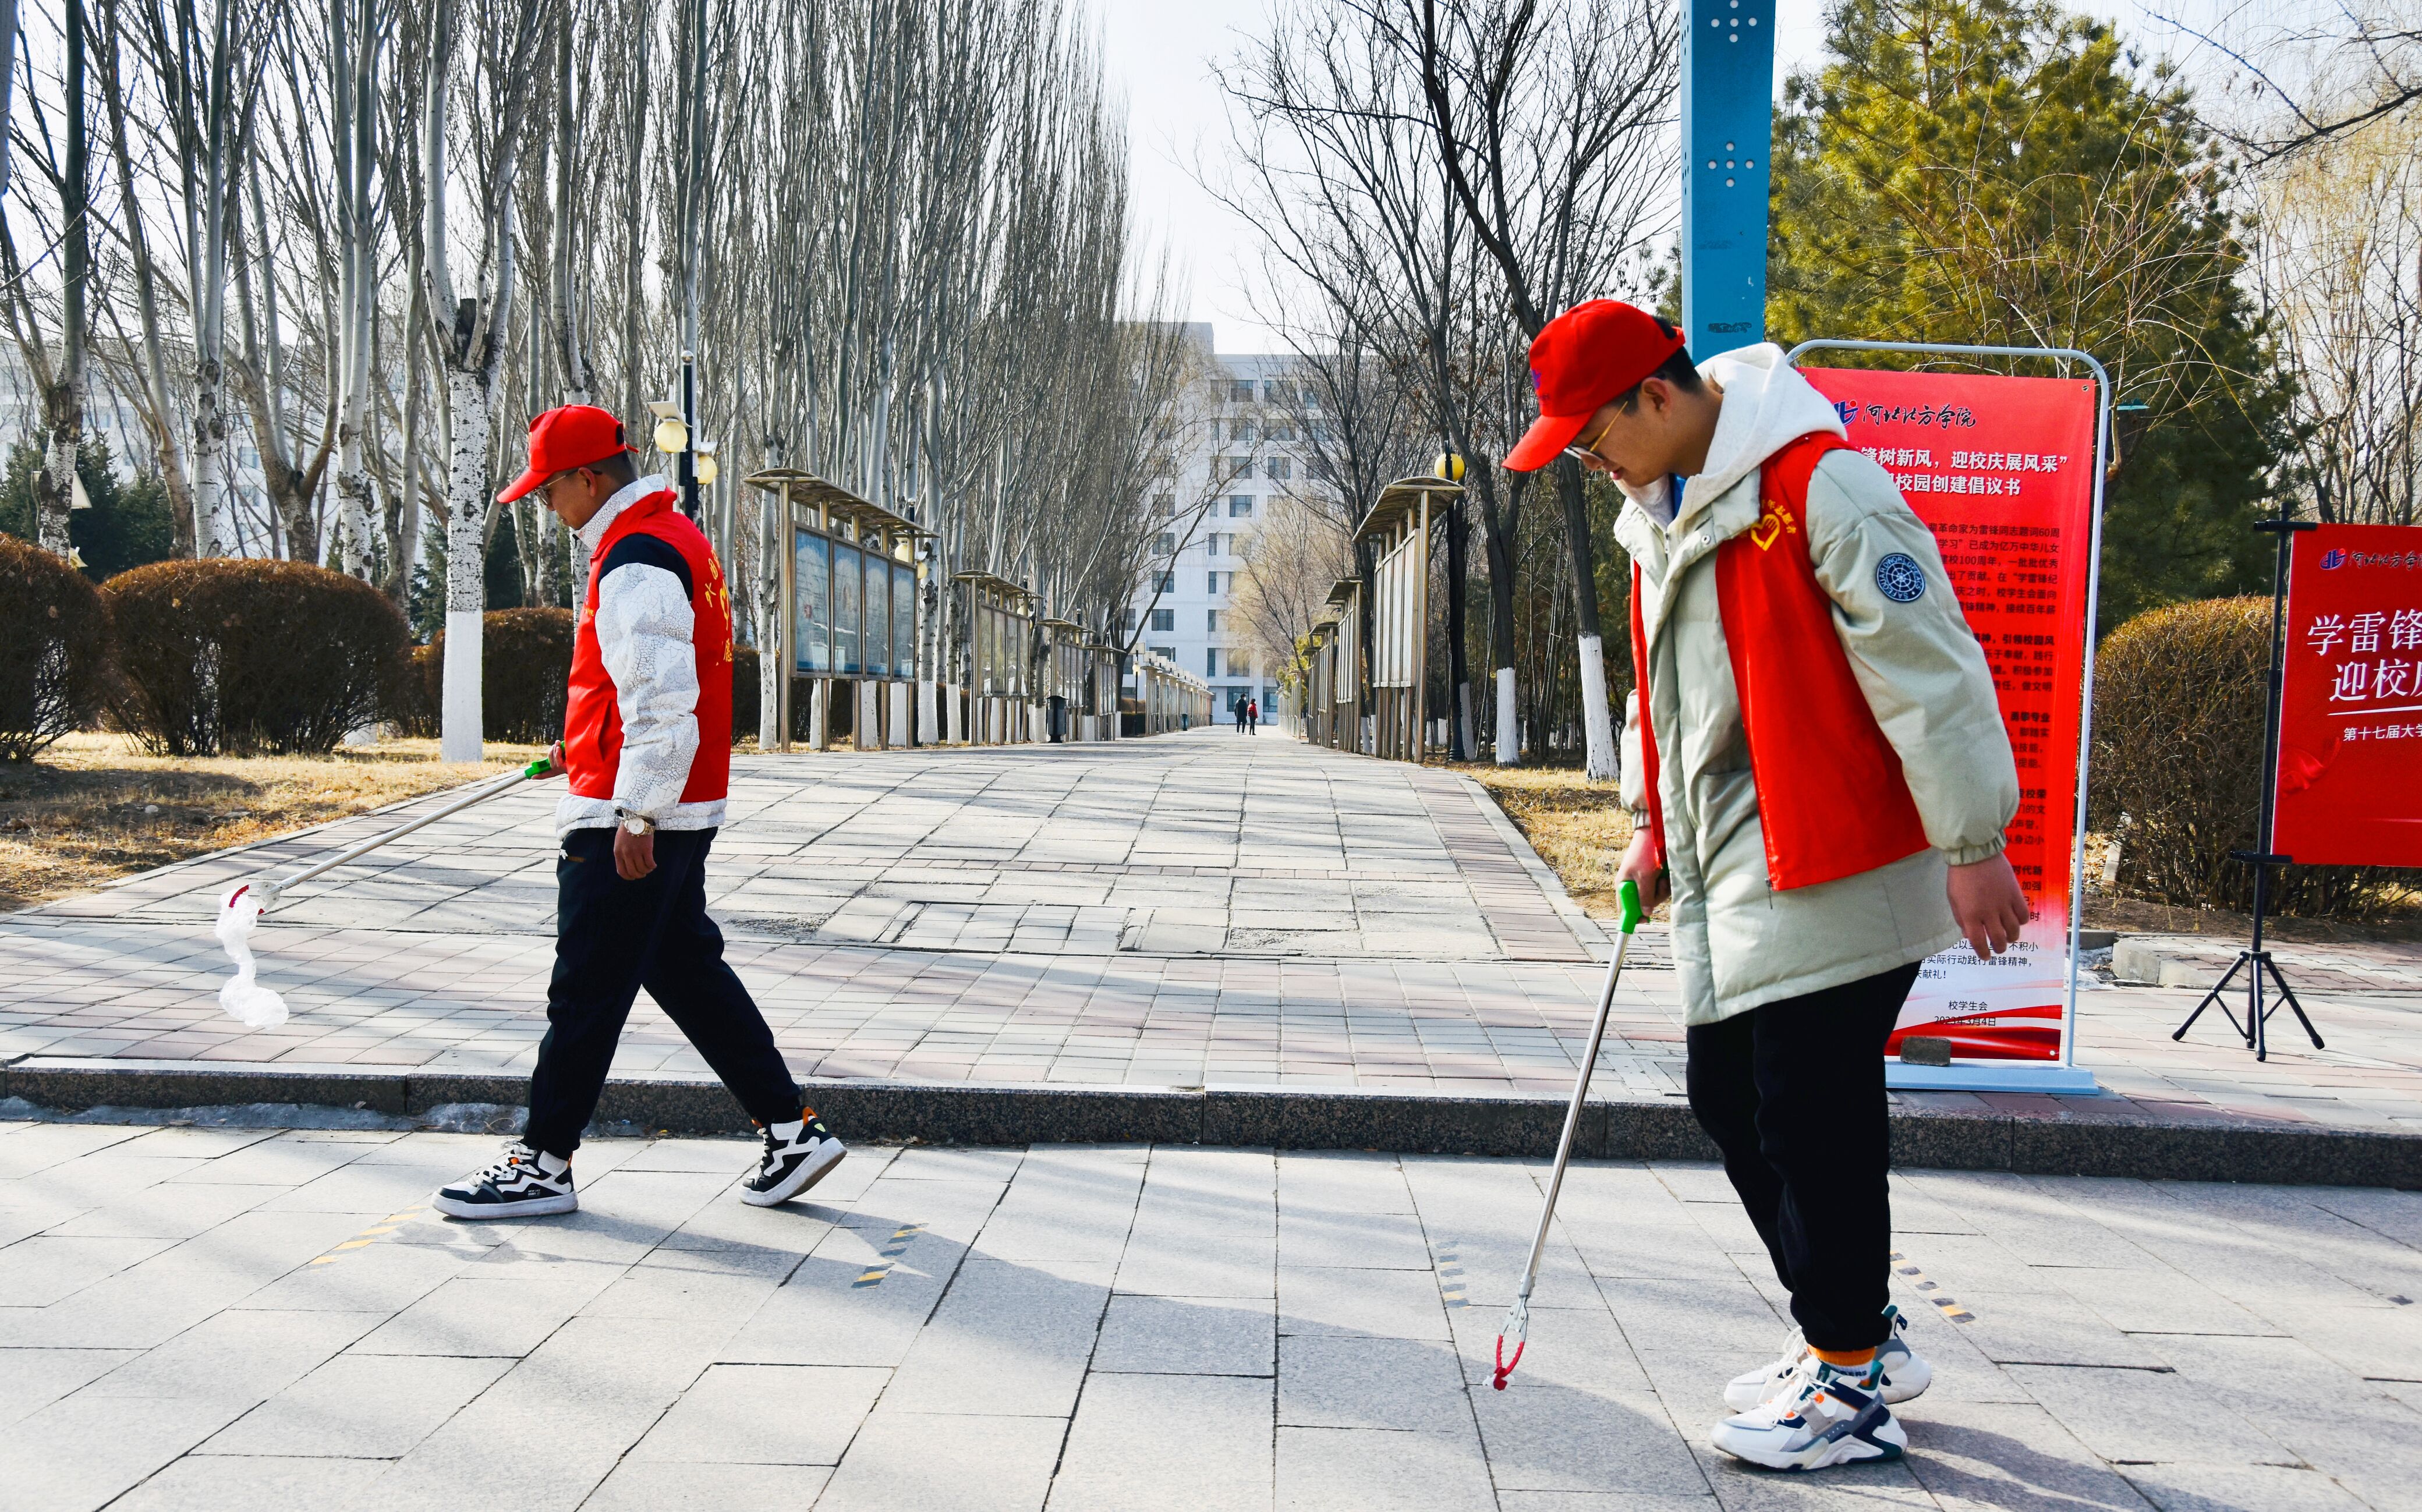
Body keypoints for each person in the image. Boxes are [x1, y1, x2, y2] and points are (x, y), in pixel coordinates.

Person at [1503, 301, 2026, 1472]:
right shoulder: (1661, 515)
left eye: (1592, 440)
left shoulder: (1817, 490)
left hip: (1839, 848)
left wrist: (1973, 839)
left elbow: (1928, 666)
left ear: (1656, 394)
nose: (1593, 468)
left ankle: (1846, 1379)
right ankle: (1859, 1336)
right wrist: (1649, 823)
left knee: (1807, 1108)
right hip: (1736, 859)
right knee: (1727, 1091)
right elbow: (1663, 694)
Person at [435, 405, 847, 1220]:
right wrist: (578, 744)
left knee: (583, 991)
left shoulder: (634, 558)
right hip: (665, 800)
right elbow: (641, 686)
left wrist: (637, 813)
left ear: (588, 478)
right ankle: (792, 1130)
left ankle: (542, 1161)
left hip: (629, 816)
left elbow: (665, 696)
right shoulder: (674, 539)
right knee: (686, 974)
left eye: (550, 492)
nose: (547, 509)